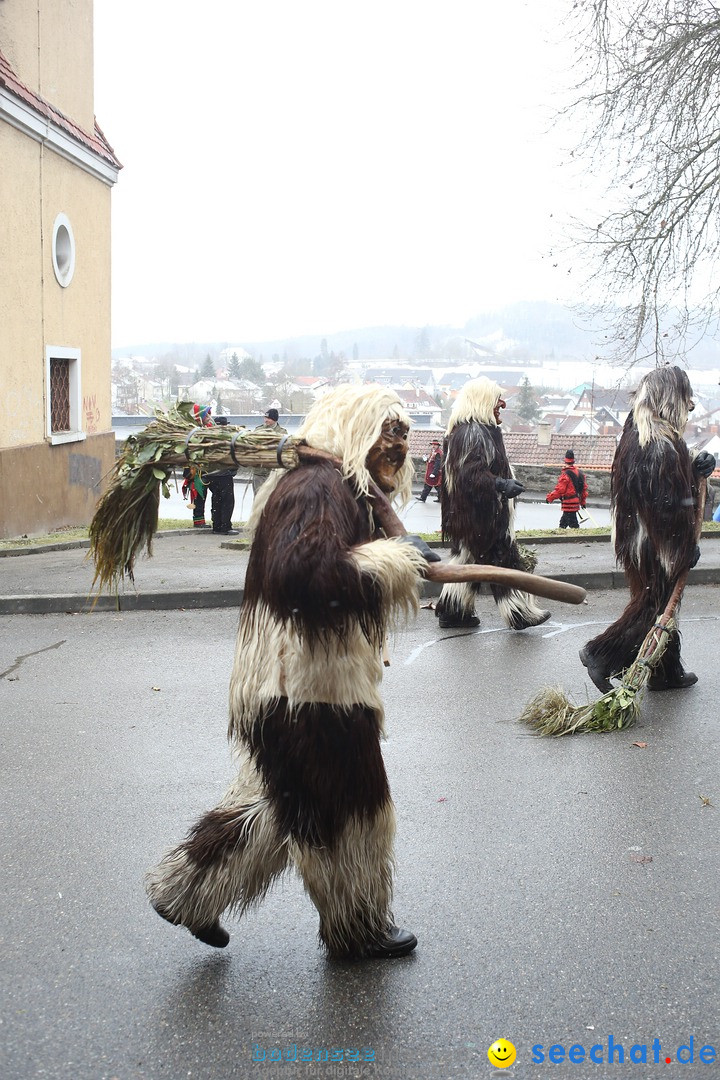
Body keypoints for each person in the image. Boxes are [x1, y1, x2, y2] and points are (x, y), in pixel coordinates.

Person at [147, 384, 440, 959]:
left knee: (284, 805)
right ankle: (357, 929)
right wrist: (397, 560)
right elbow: (304, 577)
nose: (399, 446)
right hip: (309, 693)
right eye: (388, 431)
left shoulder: (337, 489)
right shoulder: (318, 488)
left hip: (287, 688)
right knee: (357, 812)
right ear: (354, 430)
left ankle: (186, 891)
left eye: (405, 435)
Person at [580, 366, 715, 693]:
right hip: (652, 541)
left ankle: (665, 672)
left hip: (636, 538)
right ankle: (601, 654)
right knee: (654, 603)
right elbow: (666, 504)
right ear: (670, 398)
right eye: (686, 398)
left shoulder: (640, 432)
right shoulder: (657, 441)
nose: (691, 406)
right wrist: (685, 547)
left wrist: (694, 466)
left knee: (659, 600)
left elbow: (663, 486)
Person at [434, 377, 551, 631]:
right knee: (503, 558)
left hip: (471, 514)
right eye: (496, 399)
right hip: (480, 514)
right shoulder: (472, 432)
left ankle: (454, 611)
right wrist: (500, 484)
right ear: (482, 401)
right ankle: (519, 612)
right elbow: (469, 474)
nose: (502, 404)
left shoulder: (471, 430)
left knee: (466, 559)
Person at [181, 404, 213, 528]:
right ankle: (198, 521)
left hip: (206, 469)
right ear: (200, 417)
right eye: (207, 415)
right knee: (199, 496)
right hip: (196, 470)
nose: (209, 417)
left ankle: (204, 519)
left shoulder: (208, 428)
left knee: (205, 496)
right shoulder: (194, 431)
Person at [206, 416, 239, 535]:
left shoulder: (209, 437)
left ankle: (216, 526)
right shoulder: (226, 438)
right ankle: (225, 527)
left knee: (216, 500)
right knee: (227, 501)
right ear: (224, 426)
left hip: (212, 475)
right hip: (224, 475)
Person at [545, 449, 588, 529]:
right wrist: (583, 502)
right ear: (573, 461)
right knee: (563, 523)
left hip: (568, 504)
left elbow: (560, 490)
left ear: (565, 461)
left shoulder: (565, 474)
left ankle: (573, 538)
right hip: (575, 503)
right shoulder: (580, 473)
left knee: (572, 525)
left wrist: (549, 498)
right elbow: (583, 490)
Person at [251, 408, 288, 495]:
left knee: (273, 498)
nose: (266, 420)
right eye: (265, 418)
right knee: (258, 498)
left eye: (268, 418)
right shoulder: (258, 430)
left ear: (274, 419)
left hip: (274, 472)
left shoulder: (282, 432)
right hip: (259, 471)